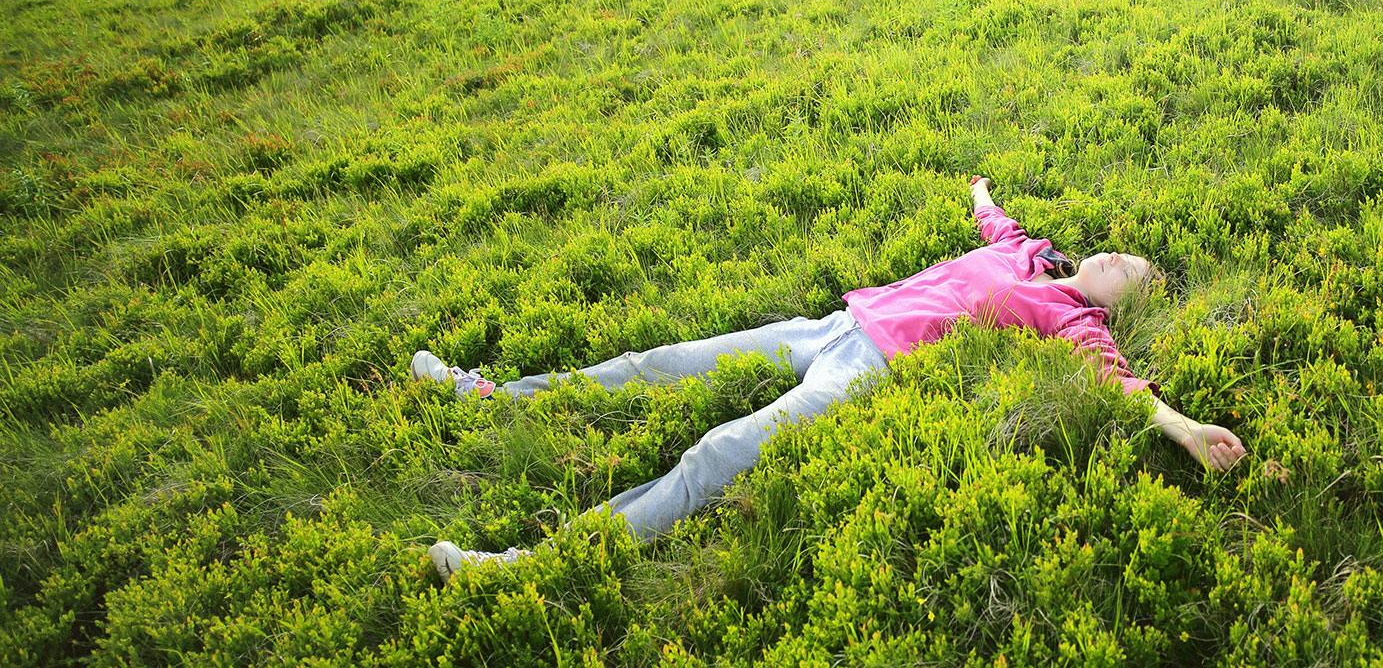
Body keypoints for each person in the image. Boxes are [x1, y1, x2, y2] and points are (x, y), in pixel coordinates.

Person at [414, 175, 1247, 580]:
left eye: (1130, 274)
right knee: (656, 363)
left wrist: (1183, 429)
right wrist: (980, 190)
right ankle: (490, 392)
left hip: (869, 366)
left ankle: (523, 565)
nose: (1117, 260)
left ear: (1118, 305)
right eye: (1121, 252)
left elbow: (1120, 385)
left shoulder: (1074, 322)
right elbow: (992, 219)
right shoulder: (1027, 250)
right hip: (837, 323)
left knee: (720, 452)